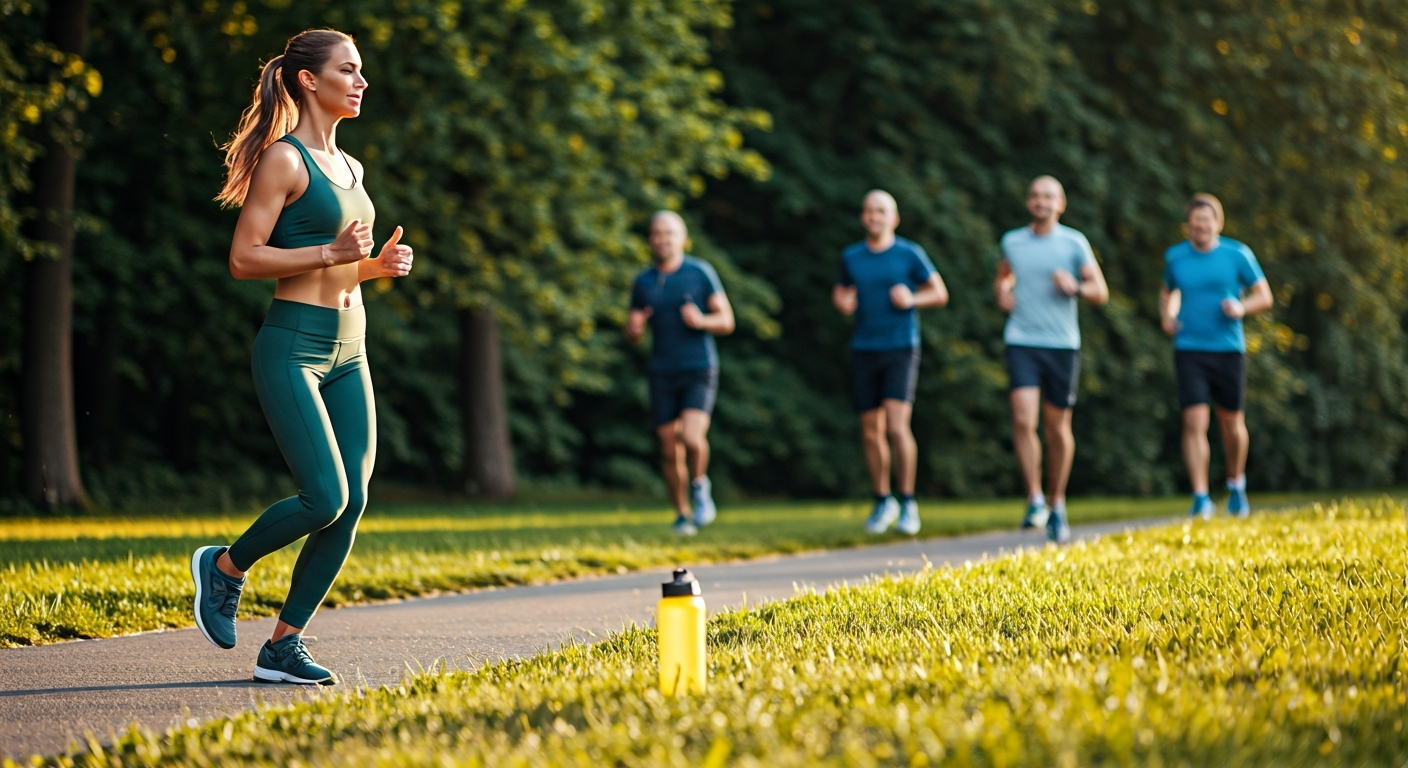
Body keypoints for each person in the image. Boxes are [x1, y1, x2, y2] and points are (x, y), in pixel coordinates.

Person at [192, 29, 415, 686]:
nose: (362, 81)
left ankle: (283, 644)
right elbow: (243, 258)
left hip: (352, 348)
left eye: (363, 70)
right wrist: (330, 255)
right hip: (294, 346)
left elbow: (342, 270)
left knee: (354, 502)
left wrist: (374, 267)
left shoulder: (353, 168)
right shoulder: (284, 161)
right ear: (310, 80)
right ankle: (225, 567)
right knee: (324, 496)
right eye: (349, 70)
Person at [993, 176, 1109, 544]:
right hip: (1021, 340)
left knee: (1057, 427)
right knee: (1023, 419)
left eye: (1048, 196)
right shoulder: (1012, 241)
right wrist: (1002, 292)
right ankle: (1035, 498)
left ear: (1060, 204)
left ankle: (1057, 502)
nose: (1041, 201)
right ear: (1029, 202)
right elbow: (1003, 276)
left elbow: (1099, 292)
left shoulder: (1074, 243)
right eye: (1035, 196)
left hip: (1062, 344)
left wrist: (1075, 286)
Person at [833, 190, 948, 535]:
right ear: (862, 217)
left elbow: (939, 293)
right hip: (864, 347)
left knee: (897, 426)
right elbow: (840, 291)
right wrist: (843, 303)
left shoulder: (909, 253)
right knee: (871, 431)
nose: (874, 216)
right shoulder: (851, 257)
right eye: (869, 211)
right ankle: (883, 499)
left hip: (901, 347)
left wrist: (912, 298)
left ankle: (909, 502)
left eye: (881, 211)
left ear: (893, 218)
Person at [1160, 193, 1272, 519]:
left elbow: (1263, 296)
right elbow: (1168, 292)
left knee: (1231, 422)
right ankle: (1200, 496)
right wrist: (1168, 315)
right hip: (1189, 348)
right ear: (1188, 227)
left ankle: (1236, 483)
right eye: (1195, 223)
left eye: (1207, 222)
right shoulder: (1175, 257)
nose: (1201, 228)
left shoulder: (1237, 254)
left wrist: (1241, 307)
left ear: (1218, 224)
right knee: (1194, 421)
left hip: (1228, 349)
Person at [626, 211, 735, 536]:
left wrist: (701, 320)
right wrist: (634, 328)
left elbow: (727, 321)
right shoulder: (643, 282)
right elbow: (632, 331)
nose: (662, 239)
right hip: (662, 370)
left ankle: (700, 486)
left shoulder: (700, 272)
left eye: (669, 233)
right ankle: (681, 514)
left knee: (691, 437)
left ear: (682, 237)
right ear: (650, 239)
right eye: (657, 233)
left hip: (699, 367)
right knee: (668, 447)